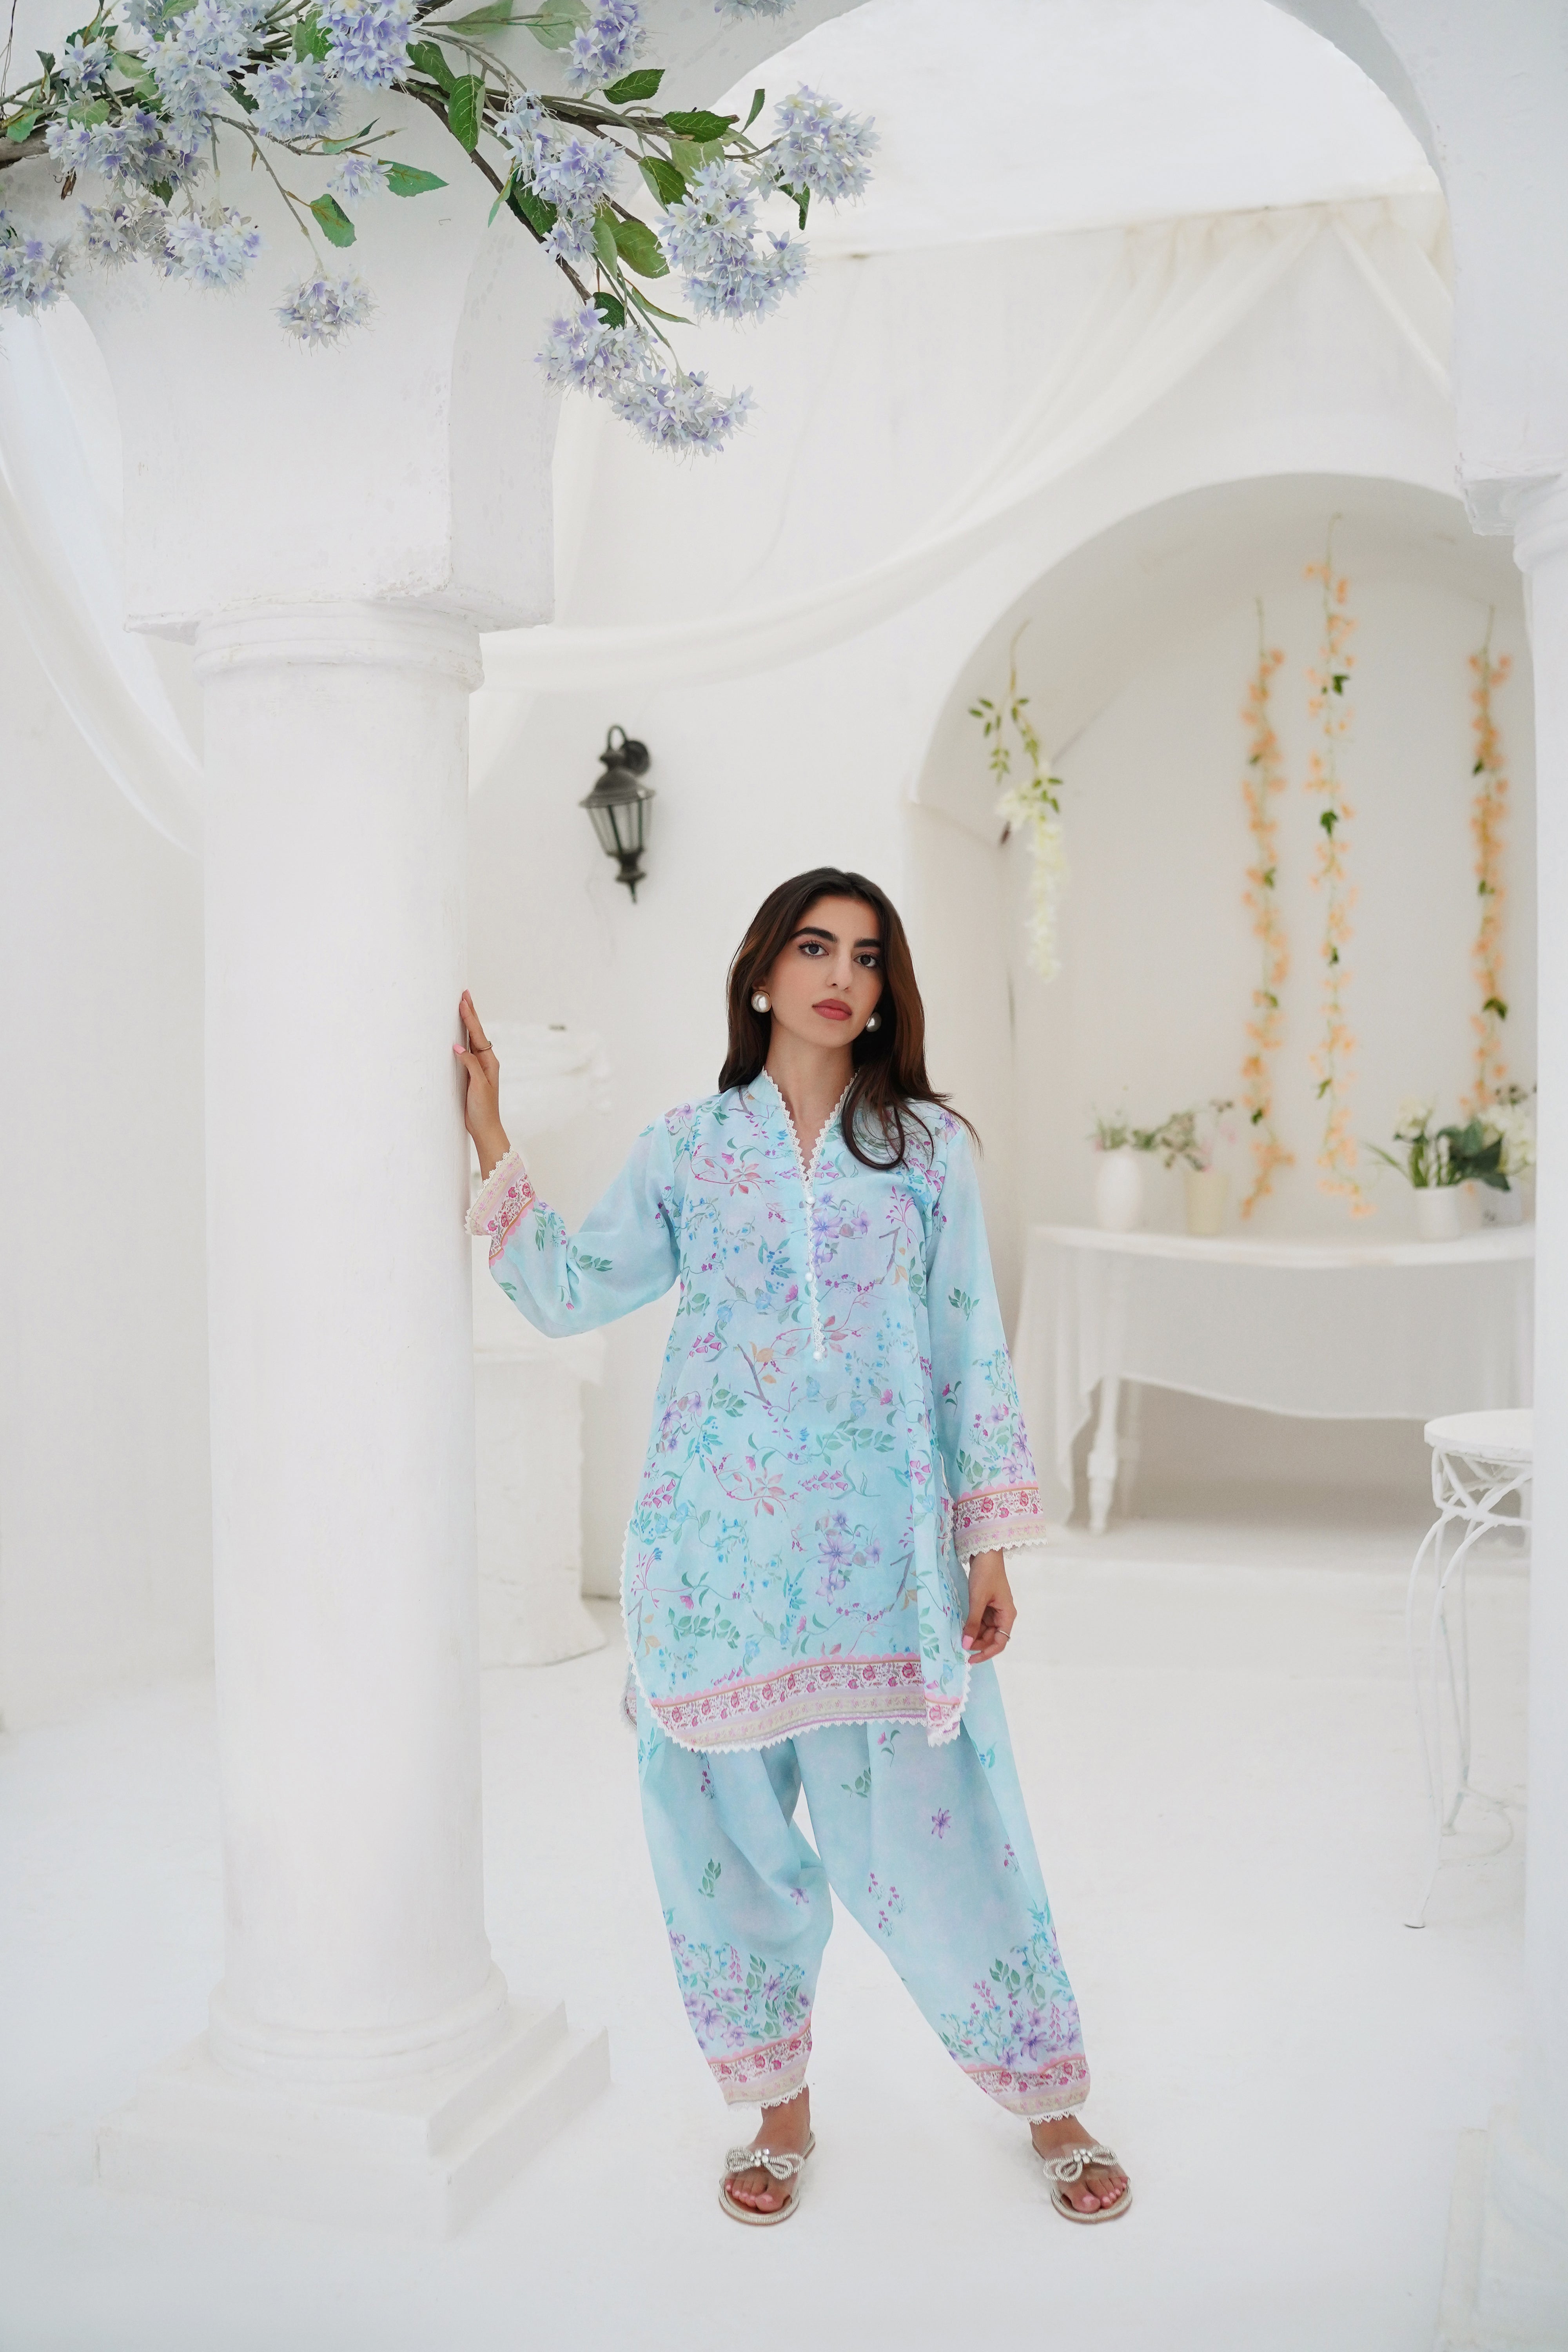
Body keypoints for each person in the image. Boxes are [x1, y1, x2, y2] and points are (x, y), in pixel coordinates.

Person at [454, 867, 1130, 2228]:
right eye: (815, 949)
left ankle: (1049, 2099)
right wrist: (492, 1137)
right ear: (762, 974)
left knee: (953, 1838)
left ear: (887, 993)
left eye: (869, 957)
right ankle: (778, 2110)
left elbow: (967, 1346)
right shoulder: (689, 1150)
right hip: (719, 1569)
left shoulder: (929, 1153)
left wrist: (989, 1543)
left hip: (884, 1570)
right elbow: (575, 1291)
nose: (842, 976)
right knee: (725, 1846)